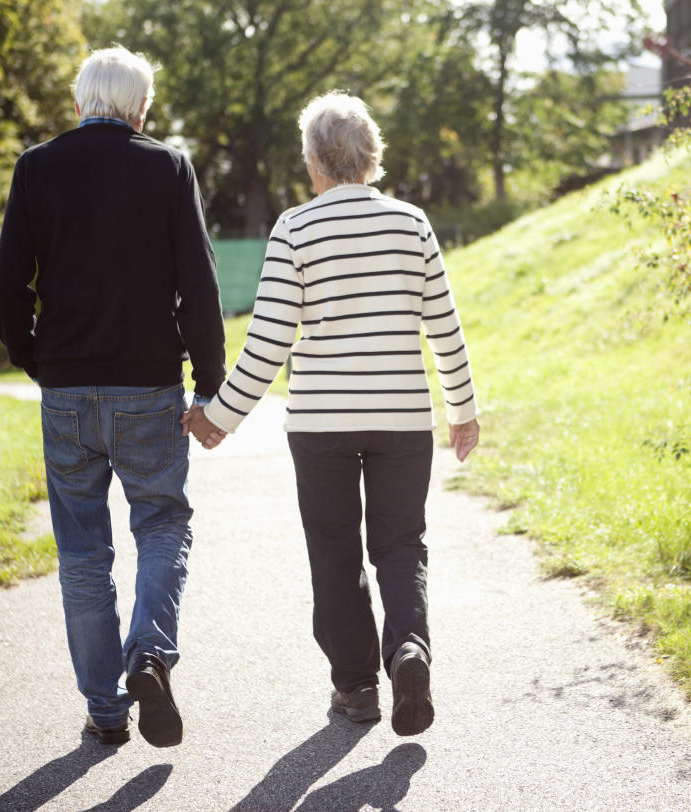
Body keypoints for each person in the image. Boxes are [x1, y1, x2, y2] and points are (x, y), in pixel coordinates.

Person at [181, 91, 481, 737]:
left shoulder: (295, 227)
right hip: (402, 415)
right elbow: (445, 330)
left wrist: (220, 417)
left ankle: (356, 689)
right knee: (401, 546)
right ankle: (409, 650)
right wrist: (463, 411)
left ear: (316, 160)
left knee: (335, 553)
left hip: (321, 421)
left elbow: (268, 341)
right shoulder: (412, 223)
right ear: (370, 158)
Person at [0, 46, 226, 748]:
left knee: (83, 554)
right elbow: (201, 289)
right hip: (150, 387)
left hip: (65, 389)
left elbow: (6, 286)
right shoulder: (167, 167)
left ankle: (105, 709)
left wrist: (32, 358)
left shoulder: (36, 167)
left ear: (80, 100)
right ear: (140, 106)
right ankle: (148, 654)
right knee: (161, 524)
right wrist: (210, 388)